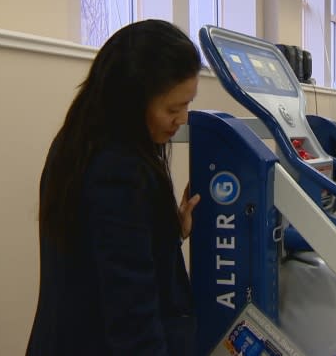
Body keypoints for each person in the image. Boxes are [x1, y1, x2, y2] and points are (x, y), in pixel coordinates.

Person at [26, 19, 203, 355]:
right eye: (172, 108)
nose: (182, 119)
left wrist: (169, 231)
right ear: (133, 100)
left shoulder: (79, 143)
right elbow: (131, 313)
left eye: (187, 105)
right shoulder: (117, 169)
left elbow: (106, 253)